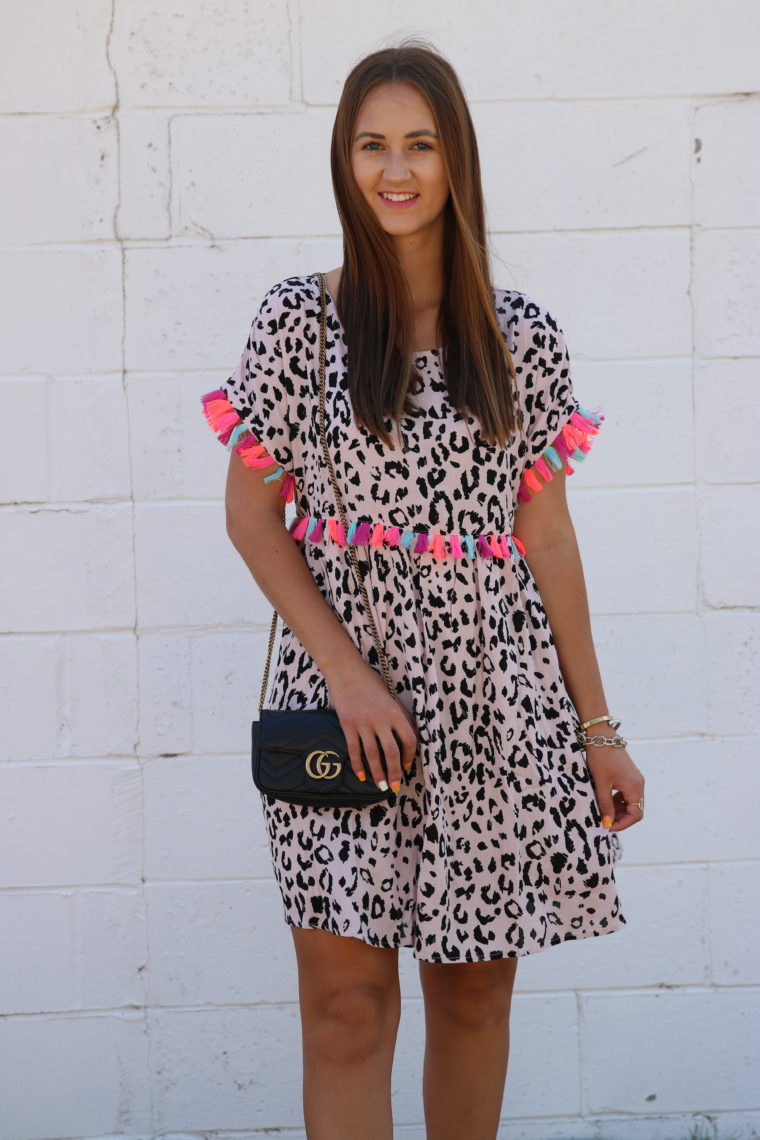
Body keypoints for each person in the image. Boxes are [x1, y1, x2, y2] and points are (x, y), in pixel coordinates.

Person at [200, 39, 644, 1140]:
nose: (393, 170)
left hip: (496, 708)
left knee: (473, 993)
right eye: (370, 144)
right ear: (344, 160)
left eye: (419, 144)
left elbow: (547, 539)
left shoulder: (520, 336)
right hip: (345, 711)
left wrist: (598, 730)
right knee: (347, 1011)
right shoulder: (299, 325)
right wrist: (348, 677)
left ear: (456, 162)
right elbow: (252, 517)